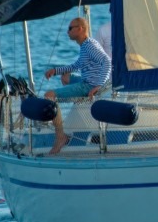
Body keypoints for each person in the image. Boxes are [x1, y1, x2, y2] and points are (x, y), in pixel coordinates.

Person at [43, 17, 112, 154]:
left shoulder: (90, 45)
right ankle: (80, 100)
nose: (67, 32)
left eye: (70, 28)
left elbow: (107, 61)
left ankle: (60, 137)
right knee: (66, 77)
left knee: (49, 96)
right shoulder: (86, 45)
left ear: (80, 29)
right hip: (86, 80)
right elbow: (77, 65)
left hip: (88, 85)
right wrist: (55, 71)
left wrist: (98, 85)